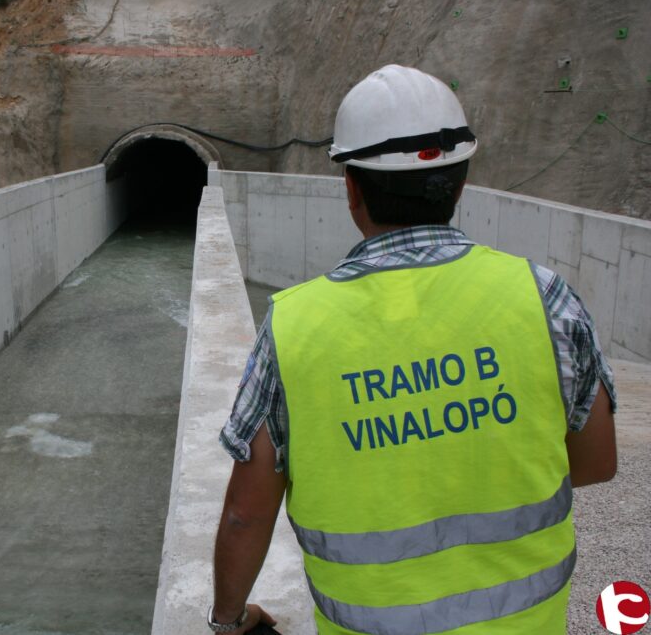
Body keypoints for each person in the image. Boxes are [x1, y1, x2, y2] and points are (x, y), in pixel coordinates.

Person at [207, 64, 618, 635]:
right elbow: (597, 464)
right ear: (461, 181)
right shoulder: (544, 298)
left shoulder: (293, 326)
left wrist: (229, 620)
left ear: (351, 187)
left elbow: (245, 514)